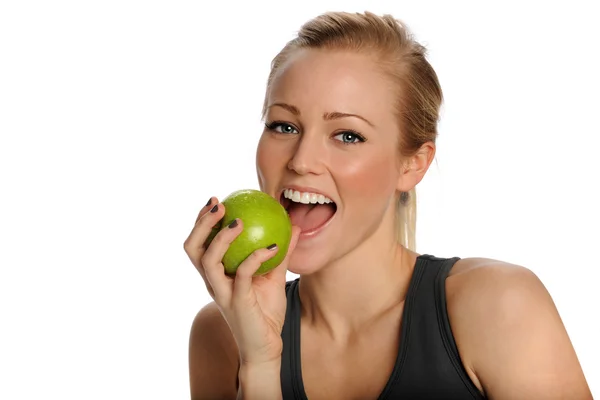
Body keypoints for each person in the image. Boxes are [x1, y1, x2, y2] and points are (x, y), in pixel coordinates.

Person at [183, 11, 592, 400]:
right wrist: (259, 364)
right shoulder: (222, 331)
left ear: (413, 165)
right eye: (283, 126)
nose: (301, 161)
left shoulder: (500, 306)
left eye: (347, 135)